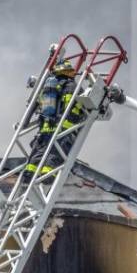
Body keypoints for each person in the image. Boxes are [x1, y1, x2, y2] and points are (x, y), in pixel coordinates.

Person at [25, 46, 86, 177]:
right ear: (69, 71)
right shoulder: (72, 87)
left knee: (40, 149)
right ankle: (48, 175)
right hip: (62, 126)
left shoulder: (49, 85)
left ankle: (30, 171)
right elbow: (77, 106)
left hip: (46, 125)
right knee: (55, 152)